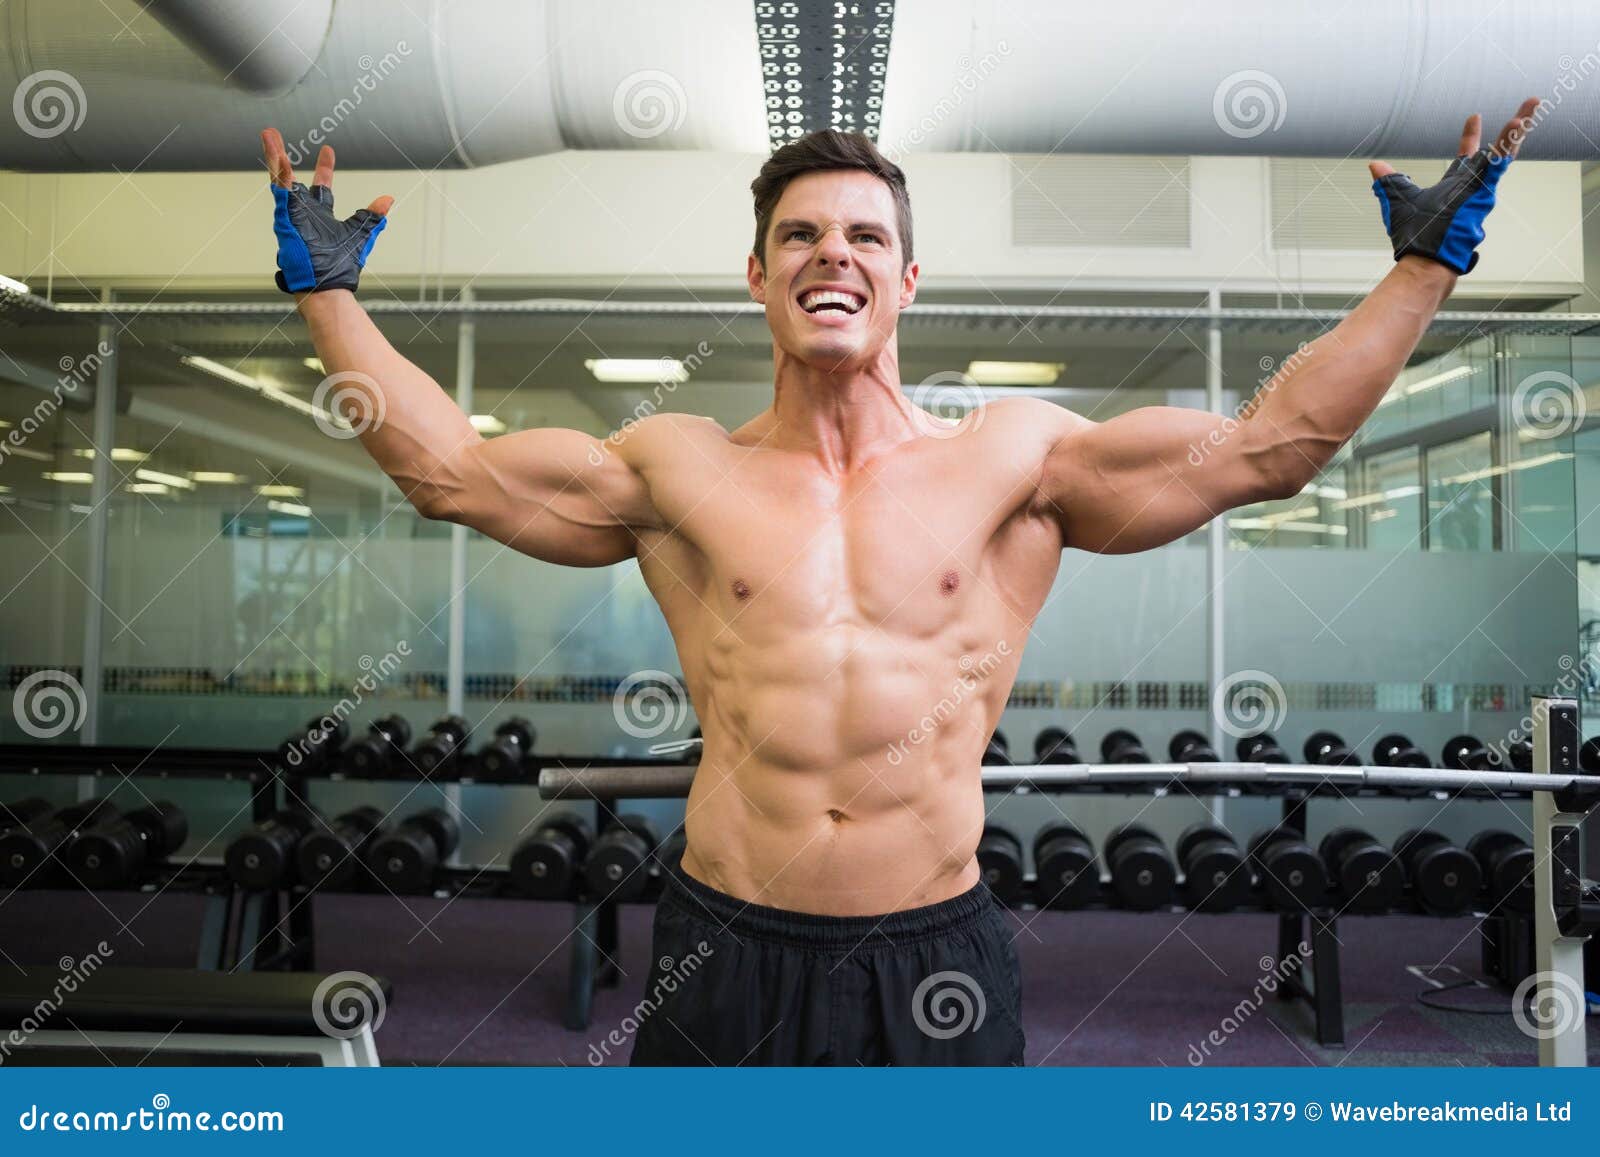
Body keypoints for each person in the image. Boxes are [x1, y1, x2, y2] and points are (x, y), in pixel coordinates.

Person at [259, 98, 1538, 1065]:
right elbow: (454, 475)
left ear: (906, 279)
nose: (835, 252)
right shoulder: (672, 466)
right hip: (722, 943)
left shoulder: (1018, 461)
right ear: (758, 276)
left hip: (935, 949)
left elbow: (1271, 451)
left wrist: (1423, 267)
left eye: (866, 234)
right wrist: (328, 296)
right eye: (800, 233)